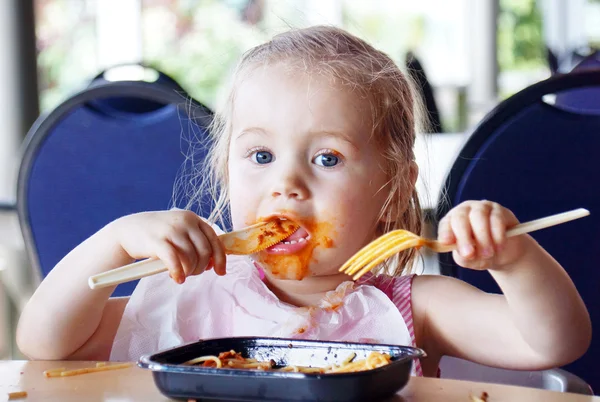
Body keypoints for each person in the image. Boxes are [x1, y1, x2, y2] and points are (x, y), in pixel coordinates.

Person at [16, 26, 590, 377]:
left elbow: (551, 342)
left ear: (392, 188)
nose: (286, 185)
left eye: (327, 159)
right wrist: (113, 240)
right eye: (261, 157)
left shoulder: (413, 309)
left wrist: (514, 262)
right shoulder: (191, 302)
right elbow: (44, 344)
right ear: (225, 172)